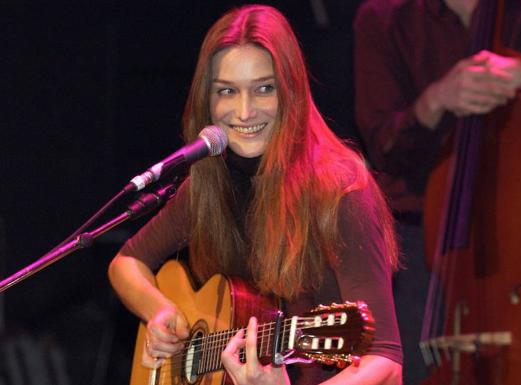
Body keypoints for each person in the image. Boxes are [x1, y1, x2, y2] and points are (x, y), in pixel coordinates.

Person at [109, 4, 403, 385]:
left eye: (264, 88)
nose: (244, 112)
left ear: (292, 93)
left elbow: (386, 362)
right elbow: (126, 262)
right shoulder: (209, 185)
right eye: (227, 91)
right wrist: (161, 312)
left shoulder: (342, 190)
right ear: (207, 102)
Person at [353, 0, 521, 383]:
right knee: (413, 366)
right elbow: (383, 147)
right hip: (425, 245)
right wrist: (435, 102)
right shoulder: (384, 16)